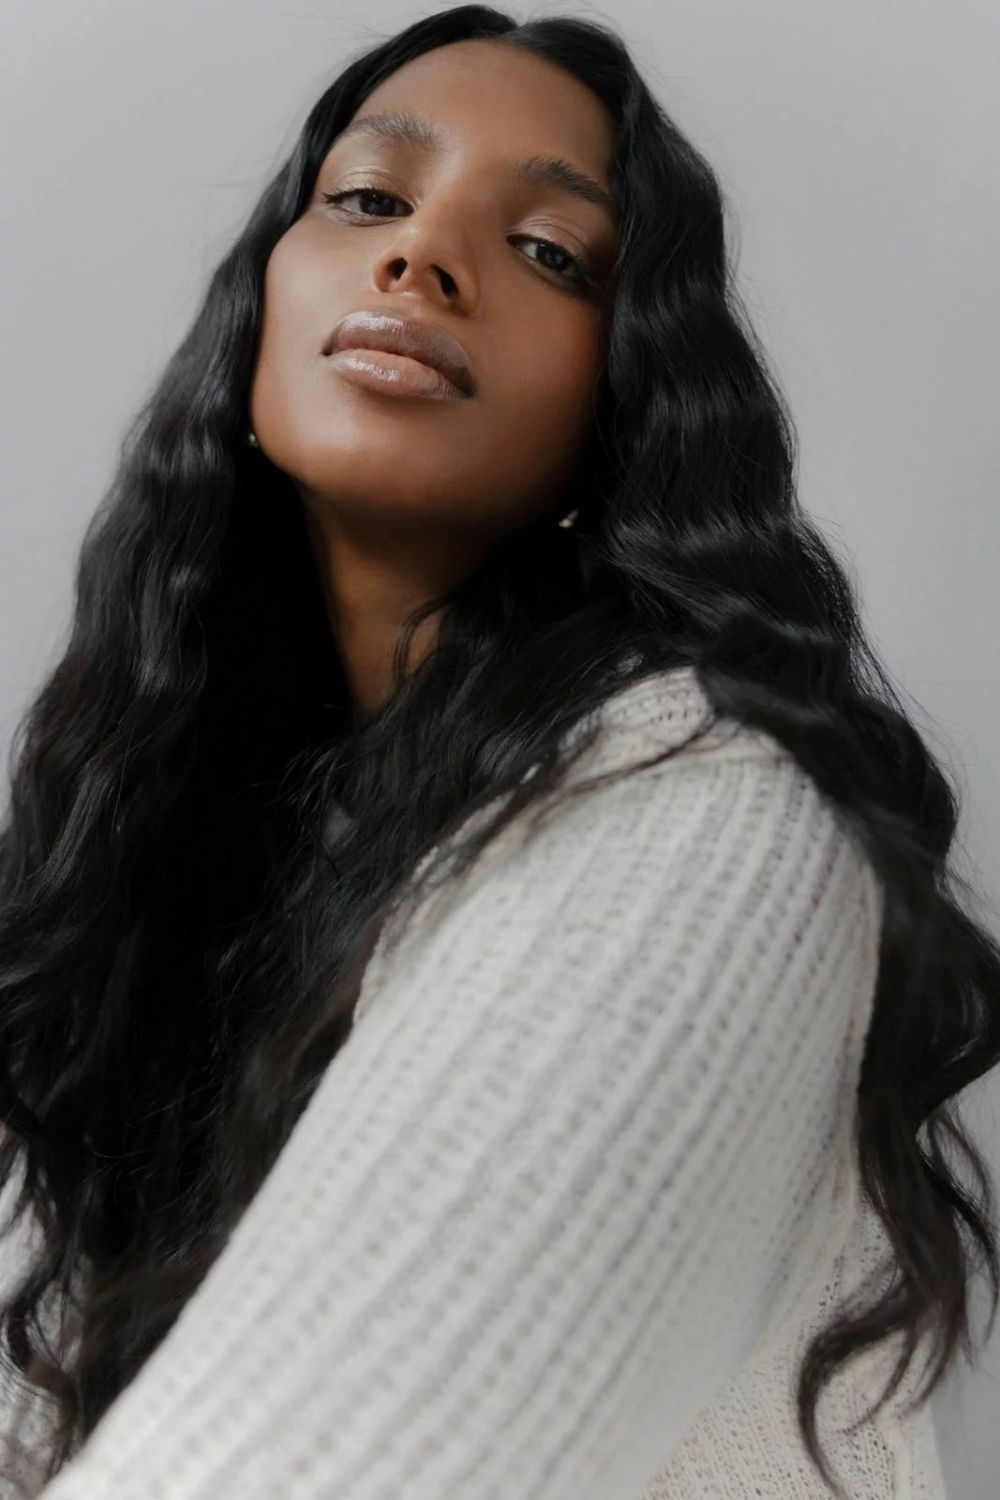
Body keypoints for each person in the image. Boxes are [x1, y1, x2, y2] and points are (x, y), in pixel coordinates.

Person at [0, 6, 996, 1497]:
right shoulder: (157, 844)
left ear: (623, 406)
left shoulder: (711, 811)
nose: (422, 256)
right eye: (369, 199)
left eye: (547, 250)